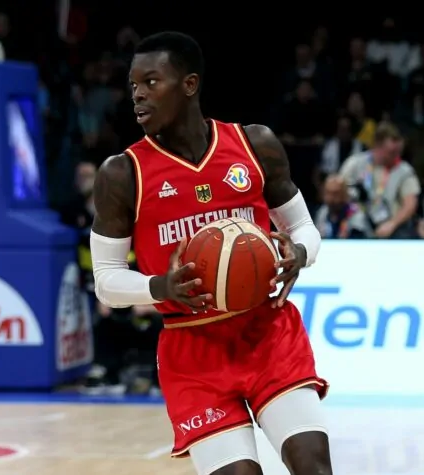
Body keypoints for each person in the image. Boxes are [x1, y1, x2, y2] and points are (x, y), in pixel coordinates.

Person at [90, 32, 330, 475]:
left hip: (267, 332)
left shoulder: (255, 144)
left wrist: (299, 252)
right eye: (134, 85)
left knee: (313, 466)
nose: (138, 94)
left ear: (189, 84)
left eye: (151, 82)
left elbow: (303, 228)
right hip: (192, 350)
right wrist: (160, 286)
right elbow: (106, 280)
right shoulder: (122, 173)